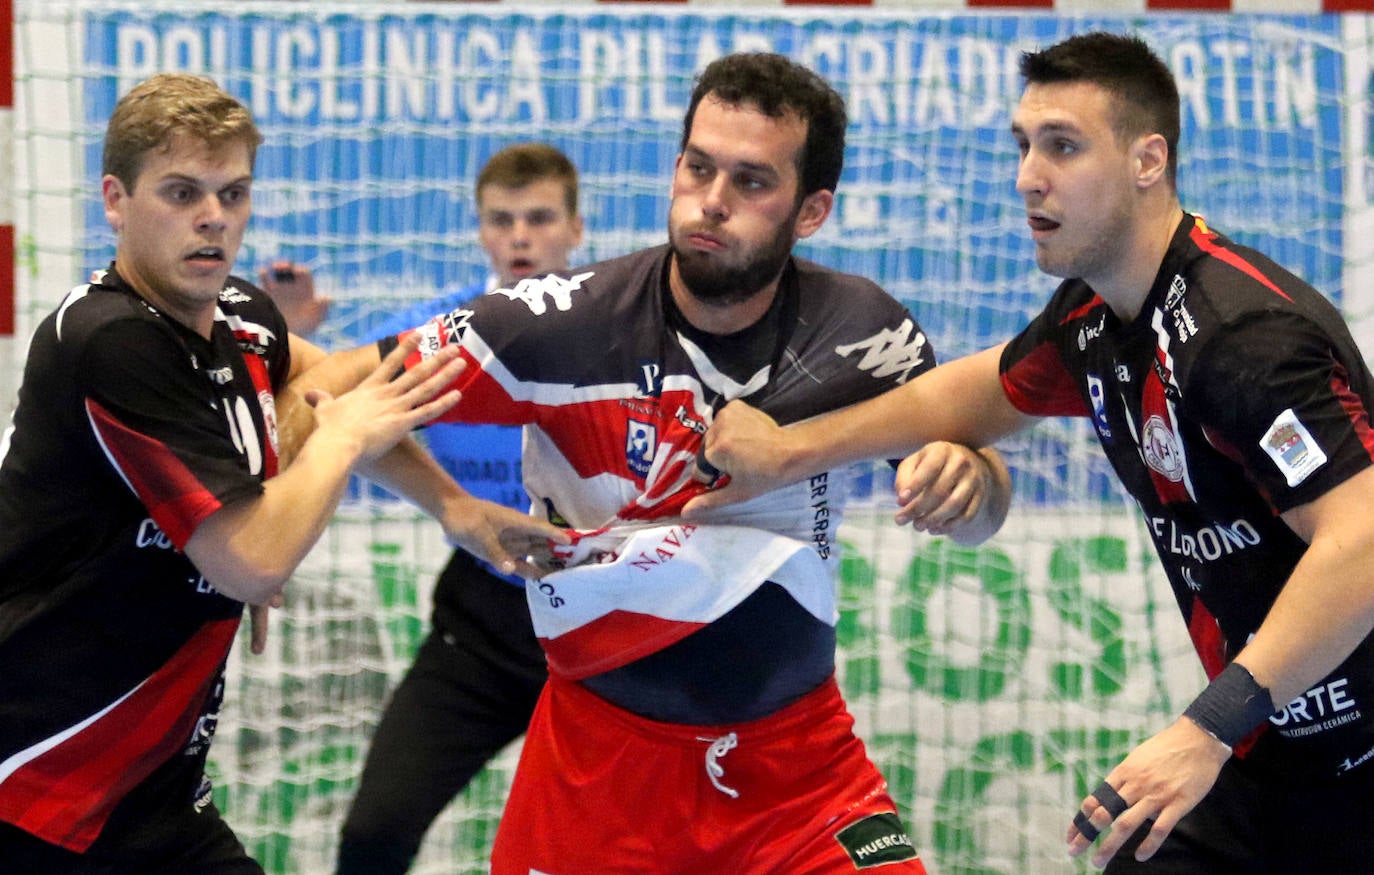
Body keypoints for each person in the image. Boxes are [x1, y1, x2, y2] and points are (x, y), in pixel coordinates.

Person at [291, 52, 1011, 874]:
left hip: (796, 775)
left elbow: (986, 501)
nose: (710, 200)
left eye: (751, 182)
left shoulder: (862, 330)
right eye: (698, 167)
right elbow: (317, 386)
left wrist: (970, 482)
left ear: (811, 210)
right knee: (375, 830)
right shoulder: (560, 322)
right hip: (597, 774)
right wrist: (446, 506)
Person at [686, 32, 1374, 874]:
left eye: (1062, 146)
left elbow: (1364, 540)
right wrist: (791, 450)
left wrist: (1203, 728)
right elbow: (974, 393)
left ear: (1147, 160)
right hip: (1287, 757)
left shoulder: (1239, 339)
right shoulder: (1095, 316)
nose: (1027, 176)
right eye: (1023, 146)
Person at [0, 72, 555, 874]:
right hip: (35, 779)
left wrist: (455, 507)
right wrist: (338, 440)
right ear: (115, 200)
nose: (212, 217)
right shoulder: (110, 338)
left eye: (233, 192)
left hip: (150, 788)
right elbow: (252, 558)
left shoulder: (243, 315)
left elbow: (331, 382)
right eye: (182, 191)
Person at [327, 143, 584, 875]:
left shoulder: (625, 342)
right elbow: (336, 412)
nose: (521, 237)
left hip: (602, 635)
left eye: (539, 218)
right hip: (483, 626)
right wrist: (451, 502)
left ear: (576, 229)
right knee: (374, 831)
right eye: (502, 220)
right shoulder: (441, 340)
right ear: (480, 233)